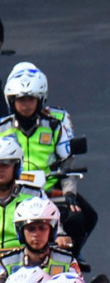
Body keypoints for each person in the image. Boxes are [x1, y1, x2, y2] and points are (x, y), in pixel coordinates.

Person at [0, 66, 94, 254]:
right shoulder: (2, 128)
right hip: (10, 189)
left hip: (49, 192)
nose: (26, 104)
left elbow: (67, 159)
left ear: (40, 99)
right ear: (12, 101)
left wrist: (69, 193)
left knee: (83, 217)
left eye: (30, 99)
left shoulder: (54, 124)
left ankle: (69, 261)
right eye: (21, 99)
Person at [0, 199, 79, 283]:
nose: (36, 234)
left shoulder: (67, 261)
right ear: (20, 231)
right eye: (31, 228)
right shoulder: (5, 263)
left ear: (52, 230)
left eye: (42, 228)